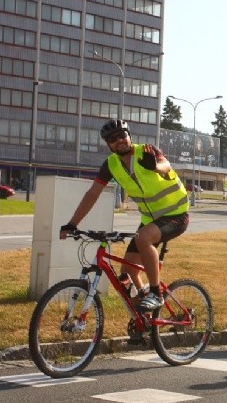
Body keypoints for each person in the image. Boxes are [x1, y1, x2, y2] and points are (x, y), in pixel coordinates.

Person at [60, 119, 189, 312]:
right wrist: (72, 223)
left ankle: (156, 293)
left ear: (129, 136)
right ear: (108, 144)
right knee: (127, 273)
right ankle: (143, 317)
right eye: (112, 139)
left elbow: (166, 166)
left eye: (122, 135)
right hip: (150, 220)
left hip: (176, 214)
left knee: (144, 237)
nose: (119, 140)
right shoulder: (111, 164)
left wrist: (154, 166)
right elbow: (92, 194)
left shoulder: (146, 151)